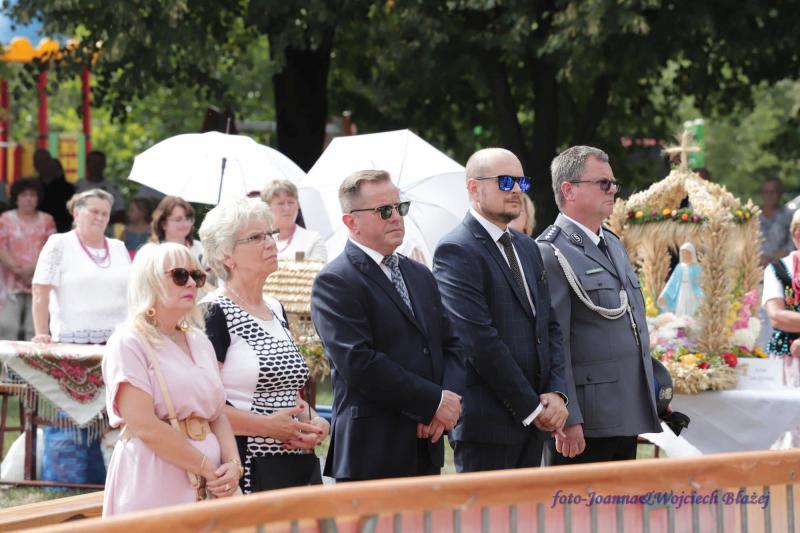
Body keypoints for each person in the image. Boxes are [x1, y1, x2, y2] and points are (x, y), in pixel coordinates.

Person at [310, 170, 463, 481]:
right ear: (351, 222)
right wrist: (433, 402)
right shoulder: (335, 281)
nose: (396, 217)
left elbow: (452, 345)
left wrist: (445, 405)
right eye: (383, 210)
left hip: (426, 443)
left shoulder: (419, 274)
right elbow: (359, 363)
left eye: (399, 207)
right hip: (372, 451)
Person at [432, 148, 567, 473]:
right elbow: (479, 342)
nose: (516, 190)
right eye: (505, 181)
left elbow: (549, 326)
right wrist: (532, 409)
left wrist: (557, 393)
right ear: (474, 188)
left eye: (521, 182)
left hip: (536, 421)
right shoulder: (456, 249)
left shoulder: (527, 247)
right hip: (488, 428)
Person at [537, 145, 661, 464]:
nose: (613, 190)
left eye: (614, 183)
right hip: (587, 419)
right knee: (580, 498)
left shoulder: (612, 243)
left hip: (624, 408)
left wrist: (654, 391)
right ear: (569, 190)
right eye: (603, 183)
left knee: (622, 497)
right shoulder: (551, 252)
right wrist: (568, 416)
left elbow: (631, 328)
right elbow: (554, 342)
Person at [198, 197, 328, 493]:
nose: (271, 243)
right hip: (246, 468)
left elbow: (286, 394)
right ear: (226, 255)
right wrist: (267, 426)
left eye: (271, 234)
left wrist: (316, 422)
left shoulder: (275, 307)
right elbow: (203, 407)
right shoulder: (214, 312)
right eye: (257, 237)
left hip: (297, 465)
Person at [102, 242, 242, 516]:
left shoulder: (199, 341)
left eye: (196, 276)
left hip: (210, 482)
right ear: (150, 281)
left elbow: (216, 413)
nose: (191, 283)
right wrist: (207, 467)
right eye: (179, 275)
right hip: (153, 477)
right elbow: (144, 425)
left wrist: (233, 466)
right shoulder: (128, 341)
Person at [32, 189, 130, 344]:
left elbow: (133, 293)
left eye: (105, 214)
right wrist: (41, 334)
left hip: (119, 341)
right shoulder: (59, 244)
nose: (100, 218)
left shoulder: (118, 247)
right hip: (73, 342)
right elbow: (40, 291)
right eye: (94, 212)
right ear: (76, 213)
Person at [0, 179, 56, 340]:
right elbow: (1, 247)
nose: (28, 199)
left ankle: (32, 358)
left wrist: (31, 269)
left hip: (39, 281)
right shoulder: (5, 219)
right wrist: (18, 269)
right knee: (7, 326)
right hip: (10, 283)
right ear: (16, 198)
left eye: (32, 195)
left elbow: (52, 249)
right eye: (24, 195)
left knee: (35, 329)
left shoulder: (47, 220)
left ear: (38, 198)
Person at [762, 209, 800, 447]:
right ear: (797, 235)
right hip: (788, 362)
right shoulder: (778, 269)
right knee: (786, 429)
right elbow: (776, 316)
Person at [261, 180, 327, 262]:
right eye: (280, 203)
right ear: (267, 207)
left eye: (291, 202)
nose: (287, 208)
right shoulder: (258, 241)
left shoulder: (313, 239)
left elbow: (319, 269)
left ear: (298, 205)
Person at [74, 150, 126, 223]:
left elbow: (121, 213)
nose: (95, 166)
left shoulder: (112, 188)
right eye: (93, 162)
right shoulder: (77, 186)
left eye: (99, 163)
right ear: (87, 164)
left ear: (104, 165)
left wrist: (100, 218)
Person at [150, 196, 204, 265]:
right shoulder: (151, 252)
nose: (185, 224)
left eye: (188, 219)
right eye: (178, 219)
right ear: (163, 224)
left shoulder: (200, 248)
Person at [34, 149, 75, 233]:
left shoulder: (67, 188)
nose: (44, 164)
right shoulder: (32, 188)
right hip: (37, 231)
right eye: (40, 161)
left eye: (46, 160)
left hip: (61, 232)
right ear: (35, 165)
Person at [658, 242, 704, 317]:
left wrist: (702, 294)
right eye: (683, 254)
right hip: (681, 292)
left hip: (693, 293)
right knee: (681, 310)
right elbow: (672, 282)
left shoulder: (697, 268)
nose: (684, 256)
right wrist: (664, 295)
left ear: (691, 254)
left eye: (686, 254)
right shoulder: (679, 267)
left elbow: (702, 282)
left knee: (693, 311)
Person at [759, 176, 793, 267]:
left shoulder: (788, 216)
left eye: (773, 192)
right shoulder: (753, 217)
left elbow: (793, 240)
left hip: (780, 266)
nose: (769, 195)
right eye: (766, 192)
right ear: (762, 194)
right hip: (755, 267)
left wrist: (785, 252)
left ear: (779, 194)